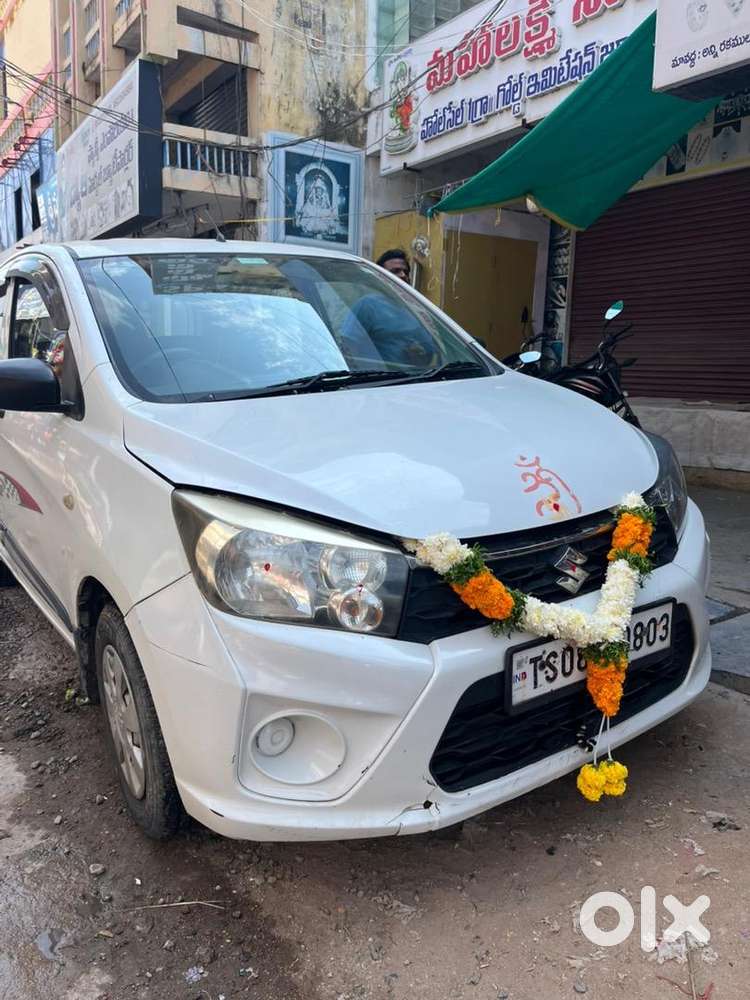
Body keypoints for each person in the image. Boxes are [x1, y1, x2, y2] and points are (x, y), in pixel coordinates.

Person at [340, 249, 437, 368]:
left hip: (417, 380)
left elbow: (429, 354)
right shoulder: (368, 305)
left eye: (406, 272)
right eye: (396, 271)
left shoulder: (418, 309)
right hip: (379, 381)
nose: (403, 275)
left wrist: (420, 354)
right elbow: (348, 346)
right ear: (380, 277)